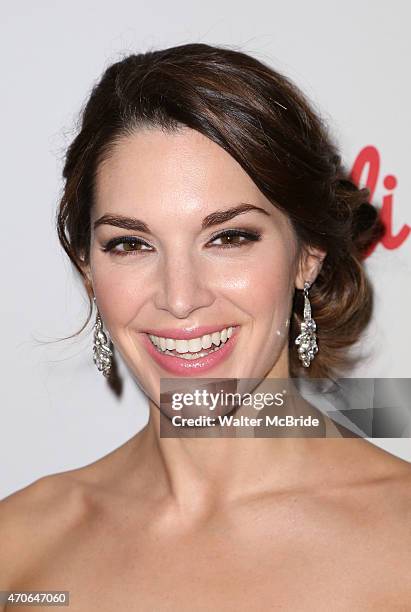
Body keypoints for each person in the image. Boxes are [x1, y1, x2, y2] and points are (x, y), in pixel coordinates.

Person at [1, 43, 410, 611]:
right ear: (89, 271)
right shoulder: (19, 549)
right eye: (131, 244)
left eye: (229, 237)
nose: (180, 298)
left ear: (307, 254)